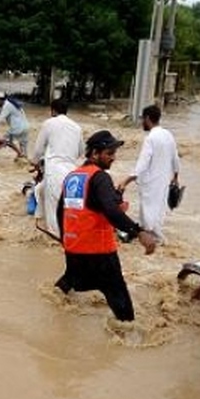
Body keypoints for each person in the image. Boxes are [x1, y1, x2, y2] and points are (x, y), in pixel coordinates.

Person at [55, 130, 158, 323]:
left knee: (70, 280)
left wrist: (65, 239)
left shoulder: (72, 177)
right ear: (95, 154)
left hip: (74, 248)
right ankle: (129, 334)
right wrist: (139, 232)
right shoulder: (100, 177)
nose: (113, 158)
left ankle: (53, 310)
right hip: (98, 252)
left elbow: (60, 211)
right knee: (120, 300)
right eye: (109, 153)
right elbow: (111, 211)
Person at [116, 105, 181, 243]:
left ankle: (152, 238)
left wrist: (126, 180)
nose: (141, 123)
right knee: (158, 210)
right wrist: (175, 177)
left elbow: (142, 164)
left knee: (148, 211)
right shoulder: (168, 135)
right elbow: (175, 158)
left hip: (150, 182)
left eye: (142, 119)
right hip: (163, 181)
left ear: (147, 118)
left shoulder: (150, 138)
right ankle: (154, 236)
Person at [30, 99, 83, 238]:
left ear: (53, 110)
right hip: (73, 172)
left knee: (52, 208)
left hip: (54, 171)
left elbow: (38, 150)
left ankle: (55, 239)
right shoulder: (77, 127)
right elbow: (80, 152)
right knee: (69, 207)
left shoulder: (48, 123)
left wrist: (34, 163)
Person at [0, 91, 29, 158]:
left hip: (16, 128)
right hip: (26, 127)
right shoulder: (10, 103)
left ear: (0, 100)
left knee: (3, 140)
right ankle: (22, 157)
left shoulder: (7, 106)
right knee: (23, 149)